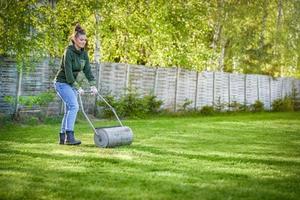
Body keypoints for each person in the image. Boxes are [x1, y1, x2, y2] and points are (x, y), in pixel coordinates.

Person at [53, 24, 98, 145]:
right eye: (81, 39)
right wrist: (78, 87)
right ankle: (69, 138)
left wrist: (93, 85)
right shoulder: (68, 51)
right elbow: (68, 73)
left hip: (71, 83)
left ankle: (62, 138)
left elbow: (87, 70)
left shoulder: (84, 54)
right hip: (62, 83)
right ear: (75, 39)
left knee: (70, 109)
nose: (83, 42)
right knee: (74, 106)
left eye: (85, 40)